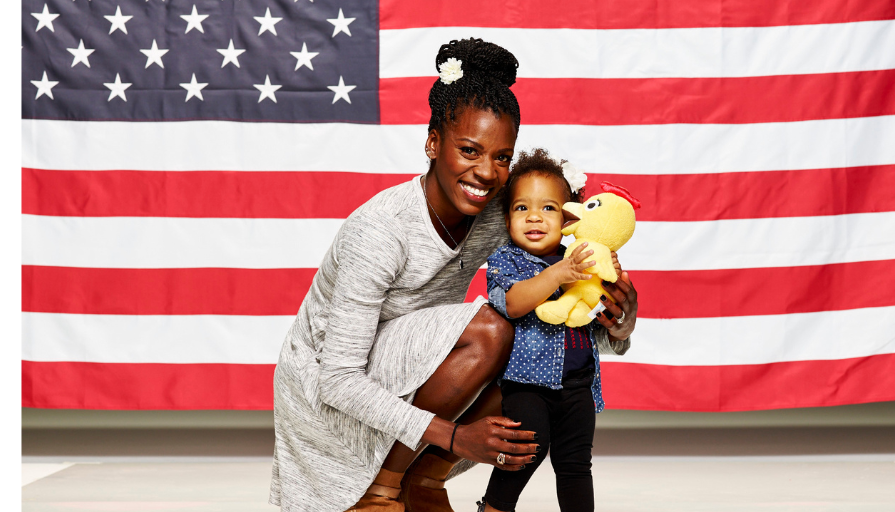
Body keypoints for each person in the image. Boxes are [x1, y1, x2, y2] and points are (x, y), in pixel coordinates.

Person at [268, 38, 639, 512]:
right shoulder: (380, 231)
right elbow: (337, 378)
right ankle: (382, 489)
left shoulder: (504, 215)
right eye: (469, 150)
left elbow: (552, 309)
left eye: (501, 157)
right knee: (492, 327)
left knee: (525, 349)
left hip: (420, 372)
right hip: (328, 391)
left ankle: (423, 480)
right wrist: (456, 436)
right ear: (432, 143)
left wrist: (619, 323)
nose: (486, 172)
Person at [474, 149, 630, 512]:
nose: (534, 218)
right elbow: (511, 302)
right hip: (527, 383)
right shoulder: (506, 259)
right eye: (521, 208)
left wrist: (609, 275)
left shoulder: (578, 256)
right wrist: (557, 274)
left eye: (548, 208)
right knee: (526, 448)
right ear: (506, 216)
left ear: (569, 218)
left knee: (575, 464)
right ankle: (495, 506)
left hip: (579, 382)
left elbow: (600, 311)